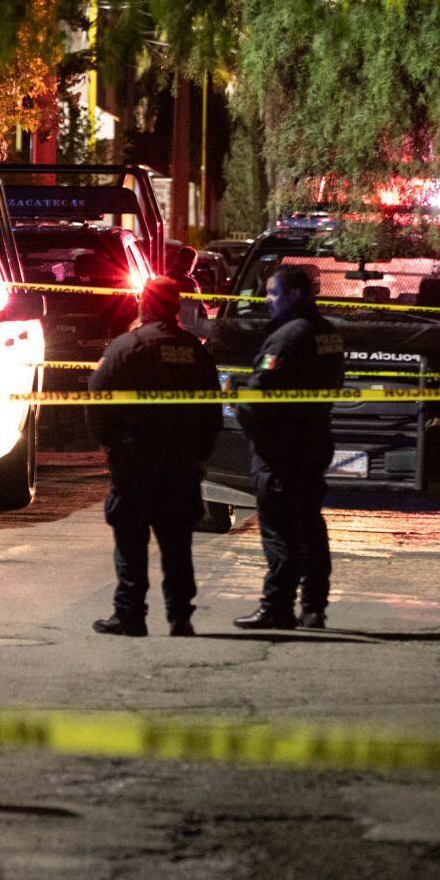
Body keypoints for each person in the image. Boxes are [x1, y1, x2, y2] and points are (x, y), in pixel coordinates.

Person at [87, 276, 223, 637]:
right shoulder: (195, 349)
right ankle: (181, 618)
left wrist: (108, 443)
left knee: (131, 540)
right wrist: (200, 453)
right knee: (177, 544)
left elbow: (98, 397)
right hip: (180, 462)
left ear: (143, 305)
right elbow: (213, 410)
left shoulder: (128, 346)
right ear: (176, 306)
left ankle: (130, 614)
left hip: (135, 460)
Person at [233, 263, 346, 630]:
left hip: (281, 446)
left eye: (273, 293)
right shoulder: (327, 333)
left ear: (294, 295)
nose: (267, 301)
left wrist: (244, 415)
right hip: (313, 439)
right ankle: (314, 607)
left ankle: (277, 606)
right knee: (310, 523)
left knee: (280, 528)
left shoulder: (288, 338)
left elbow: (259, 394)